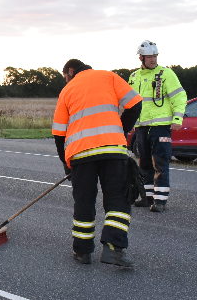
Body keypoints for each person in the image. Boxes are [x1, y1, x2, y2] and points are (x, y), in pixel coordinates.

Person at [52, 59, 143, 267]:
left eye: (65, 76)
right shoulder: (109, 76)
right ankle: (113, 249)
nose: (65, 80)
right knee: (119, 200)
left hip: (81, 155)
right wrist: (121, 129)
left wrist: (66, 165)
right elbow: (136, 103)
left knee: (84, 202)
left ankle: (82, 252)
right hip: (112, 150)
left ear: (71, 71)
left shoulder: (67, 90)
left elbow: (58, 134)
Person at [128, 41, 187, 212]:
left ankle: (160, 201)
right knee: (144, 163)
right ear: (141, 57)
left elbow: (179, 96)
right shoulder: (133, 76)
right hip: (141, 127)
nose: (153, 59)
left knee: (160, 163)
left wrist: (177, 118)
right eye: (149, 57)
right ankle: (147, 198)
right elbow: (129, 102)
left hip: (161, 126)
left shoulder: (166, 74)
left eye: (155, 56)